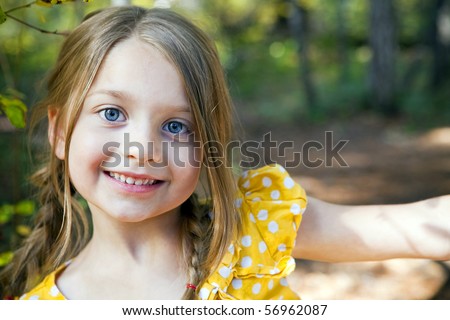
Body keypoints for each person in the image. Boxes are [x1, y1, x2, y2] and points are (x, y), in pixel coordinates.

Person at [0, 6, 449, 300]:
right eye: (112, 113)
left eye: (177, 125)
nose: (142, 151)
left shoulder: (252, 228)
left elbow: (422, 228)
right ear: (60, 132)